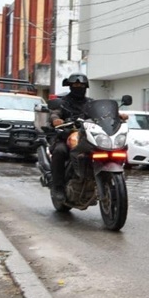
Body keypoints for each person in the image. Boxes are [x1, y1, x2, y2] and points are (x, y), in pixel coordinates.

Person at [48, 73, 94, 204]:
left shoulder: (91, 103)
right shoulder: (63, 102)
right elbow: (55, 113)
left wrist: (117, 115)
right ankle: (58, 187)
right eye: (75, 85)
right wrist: (56, 119)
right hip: (66, 135)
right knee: (59, 151)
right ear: (70, 86)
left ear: (86, 86)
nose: (78, 87)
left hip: (88, 137)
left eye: (81, 85)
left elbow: (103, 113)